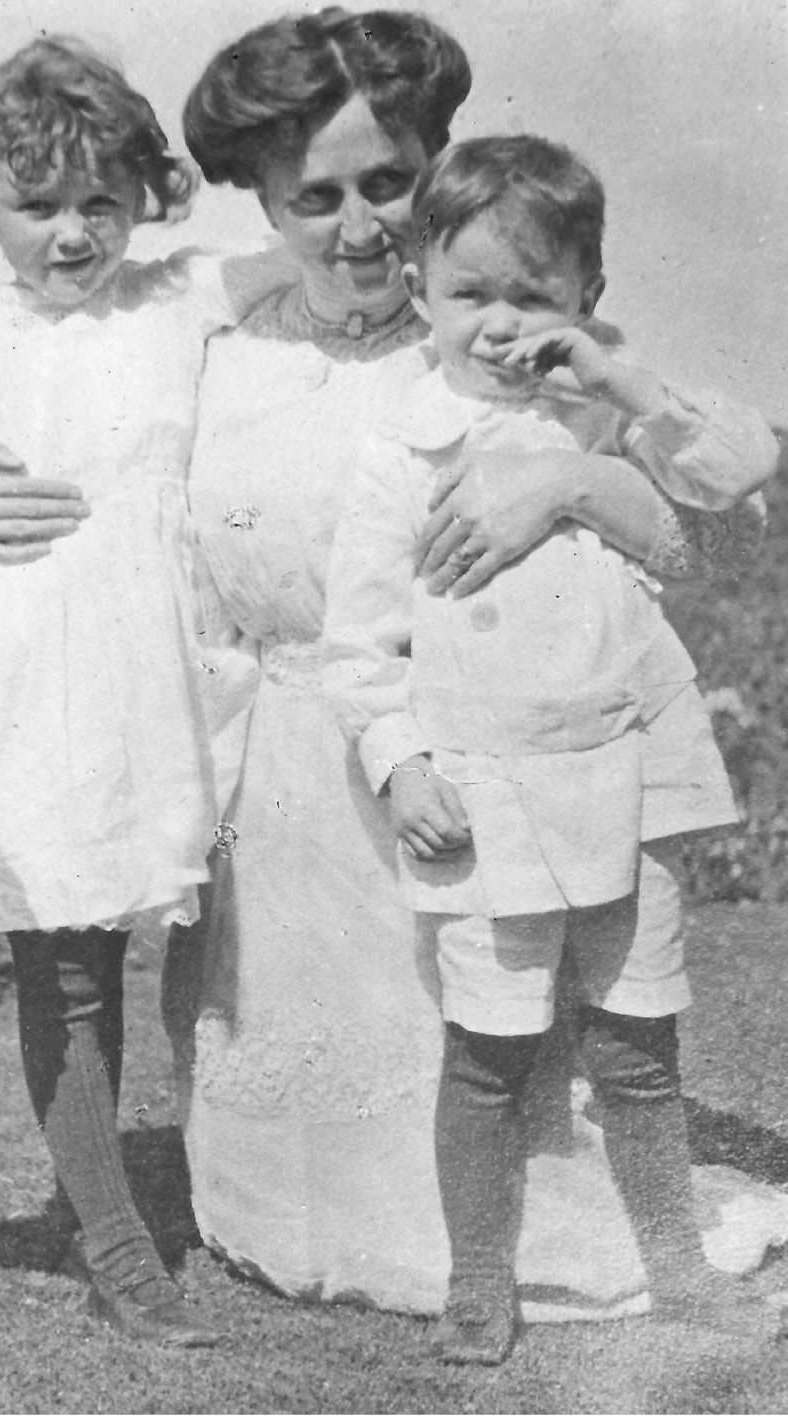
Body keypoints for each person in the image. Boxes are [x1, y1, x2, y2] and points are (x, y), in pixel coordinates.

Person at [0, 10, 777, 1323]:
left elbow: (713, 523)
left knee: (461, 1100)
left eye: (388, 183)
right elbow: (47, 405)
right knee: (276, 1174)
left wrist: (573, 477)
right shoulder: (210, 336)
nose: (359, 227)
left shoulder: (506, 332)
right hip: (265, 796)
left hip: (449, 779)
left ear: (435, 166)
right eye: (312, 197)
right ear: (261, 200)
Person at [0, 35, 290, 1349]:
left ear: (144, 191)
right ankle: (115, 1240)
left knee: (217, 943)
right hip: (32, 671)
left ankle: (248, 1194)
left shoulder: (186, 298)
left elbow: (335, 262)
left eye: (100, 197)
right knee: (68, 960)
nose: (73, 232)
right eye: (36, 204)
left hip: (182, 669)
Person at [321, 133, 784, 1364]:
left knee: (634, 1047)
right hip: (483, 790)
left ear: (585, 293)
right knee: (489, 1052)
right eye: (470, 292)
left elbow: (739, 477)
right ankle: (480, 1279)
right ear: (419, 289)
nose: (499, 324)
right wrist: (399, 759)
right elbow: (357, 644)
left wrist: (612, 379)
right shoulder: (398, 452)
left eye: (534, 294)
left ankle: (675, 1271)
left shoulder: (608, 422)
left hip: (625, 776)